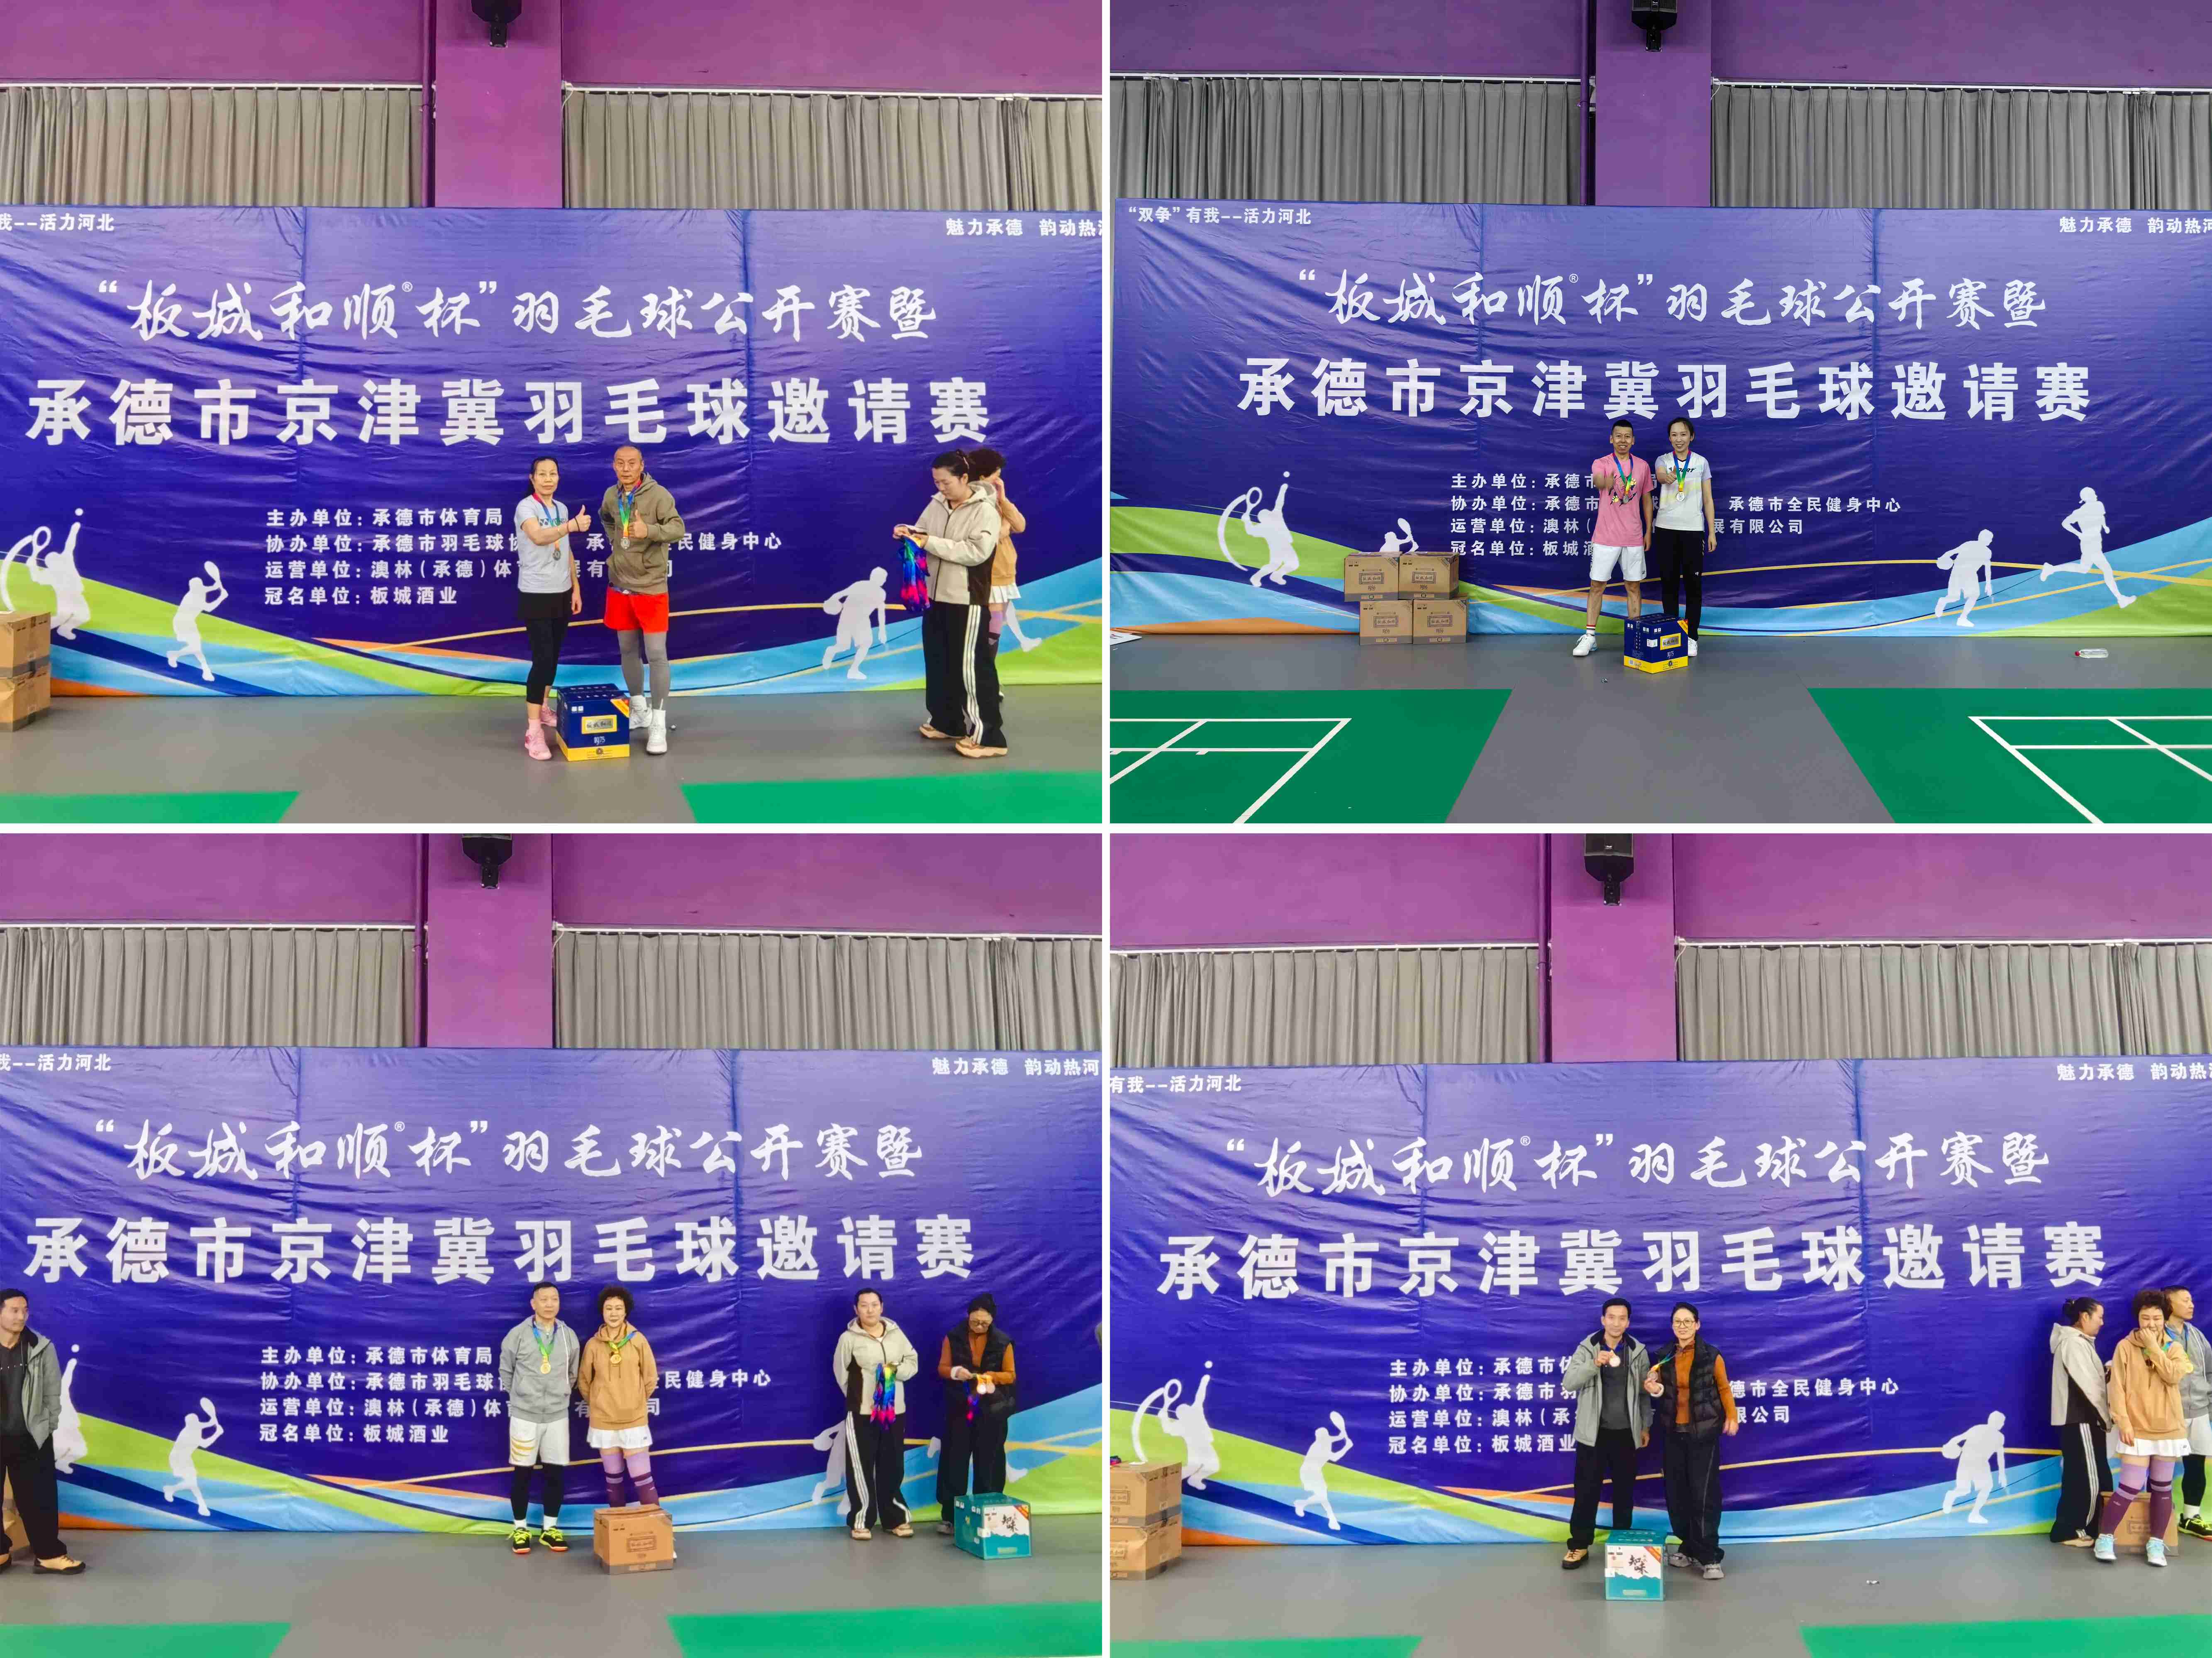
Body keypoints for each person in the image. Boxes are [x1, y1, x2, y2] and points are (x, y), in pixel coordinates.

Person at [897, 450, 1004, 760]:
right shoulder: (936, 504)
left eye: (946, 482)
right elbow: (923, 533)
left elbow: (976, 552)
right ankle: (947, 722)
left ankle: (989, 737)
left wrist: (928, 542)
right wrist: (909, 533)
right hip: (934, 597)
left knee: (973, 668)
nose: (941, 488)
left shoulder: (985, 510)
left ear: (964, 478)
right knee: (939, 661)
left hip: (966, 600)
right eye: (936, 482)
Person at [2095, 1288, 2195, 1566]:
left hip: (2169, 1428)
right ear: (2138, 1318)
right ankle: (2105, 1538)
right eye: (2145, 1318)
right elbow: (2117, 1388)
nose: (2151, 1324)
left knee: (2162, 1488)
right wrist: (2123, 1422)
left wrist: (2154, 1348)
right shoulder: (2124, 1347)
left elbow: (2173, 1376)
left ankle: (2156, 1544)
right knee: (2129, 1485)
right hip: (2137, 1428)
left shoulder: (2174, 1348)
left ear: (2164, 1318)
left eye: (2156, 1318)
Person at [597, 446, 684, 756]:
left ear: (642, 465)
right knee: (627, 650)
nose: (626, 468)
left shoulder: (659, 495)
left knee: (657, 654)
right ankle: (639, 709)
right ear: (614, 466)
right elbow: (606, 518)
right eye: (620, 463)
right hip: (620, 585)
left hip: (651, 587)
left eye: (631, 463)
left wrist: (649, 530)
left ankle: (658, 723)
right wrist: (615, 539)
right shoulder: (612, 495)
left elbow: (678, 529)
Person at [1642, 1300, 1738, 1579]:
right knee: (1677, 1494)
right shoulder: (1663, 1356)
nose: (1682, 1326)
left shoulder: (1711, 1355)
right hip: (1673, 1433)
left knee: (1704, 1494)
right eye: (1677, 1322)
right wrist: (1653, 1388)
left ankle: (1709, 1556)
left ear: (1697, 1325)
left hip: (1704, 1434)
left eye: (1687, 1321)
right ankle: (1687, 1546)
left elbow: (1724, 1388)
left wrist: (1732, 1416)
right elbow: (1659, 1389)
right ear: (1672, 1326)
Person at [1559, 1295, 1651, 1568]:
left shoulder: (1637, 1350)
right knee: (1586, 1492)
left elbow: (1645, 1393)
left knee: (1624, 1493)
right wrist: (1594, 1364)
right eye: (1611, 1317)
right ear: (1603, 1320)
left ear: (1628, 1322)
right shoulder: (1588, 1347)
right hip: (1593, 1434)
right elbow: (1569, 1383)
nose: (1616, 1323)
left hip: (1626, 1434)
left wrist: (1645, 1425)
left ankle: (1622, 1545)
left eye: (1622, 1318)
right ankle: (1578, 1545)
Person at [0, 1287, 85, 1575]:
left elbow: (53, 1394)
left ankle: (49, 1554)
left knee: (40, 1499)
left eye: (25, 1311)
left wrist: (45, 1426)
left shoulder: (41, 1347)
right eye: (14, 1310)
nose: (21, 1316)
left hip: (30, 1437)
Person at [512, 456, 590, 761]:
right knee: (542, 660)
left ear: (558, 478)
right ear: (533, 478)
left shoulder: (561, 509)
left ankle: (544, 708)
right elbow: (539, 536)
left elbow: (566, 549)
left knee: (554, 657)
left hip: (562, 591)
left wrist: (576, 586)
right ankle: (533, 732)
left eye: (553, 474)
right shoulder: (526, 507)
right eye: (542, 474)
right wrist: (570, 526)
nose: (548, 479)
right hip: (536, 592)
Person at [500, 1280, 581, 1554]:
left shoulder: (568, 1336)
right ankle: (520, 1529)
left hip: (557, 1416)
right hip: (525, 1416)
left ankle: (550, 1529)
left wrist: (560, 1394)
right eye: (544, 1299)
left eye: (554, 1299)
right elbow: (506, 1370)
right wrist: (521, 1395)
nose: (549, 1304)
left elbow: (573, 1373)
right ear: (533, 1304)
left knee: (554, 1473)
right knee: (522, 1473)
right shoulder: (518, 1335)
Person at [833, 1285, 919, 1540]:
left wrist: (896, 1371)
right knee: (861, 1467)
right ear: (856, 1309)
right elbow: (841, 1374)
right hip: (862, 1412)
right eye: (864, 1305)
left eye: (874, 1305)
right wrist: (860, 1398)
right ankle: (862, 1520)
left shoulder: (896, 1334)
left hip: (894, 1410)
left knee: (892, 1464)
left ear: (882, 1307)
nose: (870, 1310)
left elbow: (912, 1362)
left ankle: (895, 1519)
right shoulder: (848, 1339)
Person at [935, 1291, 1016, 1534]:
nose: (979, 1326)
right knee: (954, 1460)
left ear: (992, 1320)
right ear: (968, 1316)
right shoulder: (953, 1337)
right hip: (960, 1408)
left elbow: (1011, 1375)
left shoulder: (1004, 1342)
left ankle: (989, 1515)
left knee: (990, 1461)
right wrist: (955, 1372)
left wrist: (992, 1377)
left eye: (985, 1323)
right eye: (975, 1322)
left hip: (992, 1411)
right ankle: (951, 1517)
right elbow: (942, 1368)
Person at [576, 1286, 660, 1512]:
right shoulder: (593, 1345)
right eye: (609, 1308)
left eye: (618, 1308)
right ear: (602, 1312)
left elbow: (650, 1378)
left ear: (626, 1311)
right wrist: (599, 1402)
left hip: (634, 1420)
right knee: (613, 1479)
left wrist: (634, 1401)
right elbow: (584, 1381)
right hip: (604, 1422)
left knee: (643, 1478)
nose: (613, 1313)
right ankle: (618, 1531)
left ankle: (656, 1531)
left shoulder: (638, 1340)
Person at [1573, 419, 1652, 658]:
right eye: (1619, 436)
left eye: (1627, 437)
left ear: (1633, 441)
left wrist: (1649, 531)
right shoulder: (1602, 463)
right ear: (1612, 439)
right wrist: (1604, 482)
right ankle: (1590, 636)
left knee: (1633, 587)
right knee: (1597, 586)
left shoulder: (1642, 466)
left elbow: (1647, 500)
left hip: (1634, 537)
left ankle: (1636, 638)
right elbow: (1598, 480)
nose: (1623, 441)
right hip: (1606, 537)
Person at [1647, 417, 1715, 657]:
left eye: (1684, 434)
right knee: (1670, 585)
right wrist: (1666, 477)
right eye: (1674, 435)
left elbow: (1708, 499)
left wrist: (1711, 531)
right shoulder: (1664, 461)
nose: (1679, 439)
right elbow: (1661, 475)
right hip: (1666, 530)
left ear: (1691, 437)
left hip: (1693, 531)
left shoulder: (1701, 463)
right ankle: (1671, 636)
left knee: (1694, 586)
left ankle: (1692, 637)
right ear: (1670, 438)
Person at [2050, 1295, 2114, 1546]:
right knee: (2089, 1478)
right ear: (2085, 1317)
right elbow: (2090, 1388)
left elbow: (2091, 1380)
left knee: (2080, 1475)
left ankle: (2078, 1529)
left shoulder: (2080, 1343)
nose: (2102, 1322)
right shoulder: (2074, 1344)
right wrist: (2107, 1418)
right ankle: (2073, 1530)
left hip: (2083, 1420)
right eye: (2100, 1317)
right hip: (2081, 1419)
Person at [965, 449, 1038, 652]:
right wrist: (1005, 526)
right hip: (988, 573)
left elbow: (1020, 526)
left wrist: (1003, 500)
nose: (1000, 480)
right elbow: (988, 537)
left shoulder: (997, 501)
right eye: (996, 476)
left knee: (998, 619)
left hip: (1005, 570)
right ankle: (983, 666)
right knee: (991, 622)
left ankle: (989, 668)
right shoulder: (971, 502)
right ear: (982, 478)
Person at [2165, 1285, 2211, 1539]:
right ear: (2169, 1305)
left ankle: (2190, 1517)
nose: (2191, 1305)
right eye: (2185, 1300)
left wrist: (2209, 1405)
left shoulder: (2197, 1335)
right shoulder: (2158, 1335)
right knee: (2161, 1466)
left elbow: (2209, 1371)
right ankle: (2160, 1517)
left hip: (2200, 1410)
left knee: (2196, 1465)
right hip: (2170, 1412)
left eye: (2191, 1300)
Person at [2046, 487, 2134, 607]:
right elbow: (2065, 523)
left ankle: (2052, 569)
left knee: (2084, 569)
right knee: (2107, 570)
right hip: (2089, 544)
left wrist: (2105, 526)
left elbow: (2101, 517)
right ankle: (2120, 599)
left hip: (2096, 542)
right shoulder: (2080, 512)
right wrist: (2079, 534)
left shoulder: (2099, 505)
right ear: (2088, 498)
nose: (2096, 495)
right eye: (2093, 494)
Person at [1932, 530, 1996, 627]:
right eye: (1990, 539)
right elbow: (1953, 552)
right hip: (1958, 573)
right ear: (1983, 538)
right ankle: (1943, 602)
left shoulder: (1988, 552)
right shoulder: (1969, 544)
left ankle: (1962, 619)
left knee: (1974, 596)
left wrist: (1988, 584)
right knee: (1954, 598)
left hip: (1971, 575)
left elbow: (1988, 568)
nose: (1991, 541)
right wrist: (1943, 558)